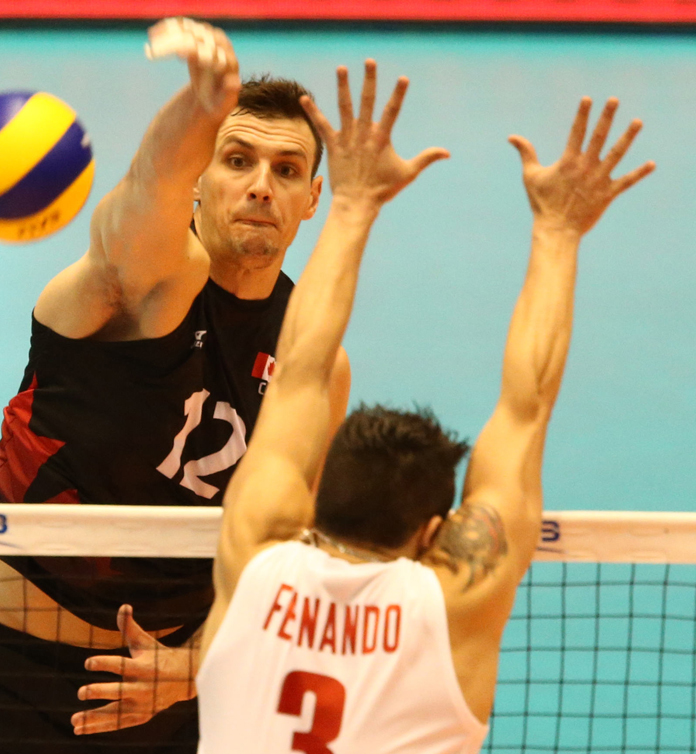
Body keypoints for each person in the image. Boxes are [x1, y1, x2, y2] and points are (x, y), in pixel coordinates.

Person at [0, 18, 359, 754]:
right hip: (18, 677)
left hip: (176, 686)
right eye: (236, 159)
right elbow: (142, 197)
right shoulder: (143, 282)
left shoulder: (312, 354)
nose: (260, 186)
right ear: (200, 172)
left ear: (313, 197)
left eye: (286, 171)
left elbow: (288, 545)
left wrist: (194, 668)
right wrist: (202, 102)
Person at [191, 87, 655, 752]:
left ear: (315, 498)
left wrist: (352, 205)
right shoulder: (452, 606)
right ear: (434, 533)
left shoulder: (254, 559)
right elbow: (526, 409)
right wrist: (558, 230)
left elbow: (300, 374)